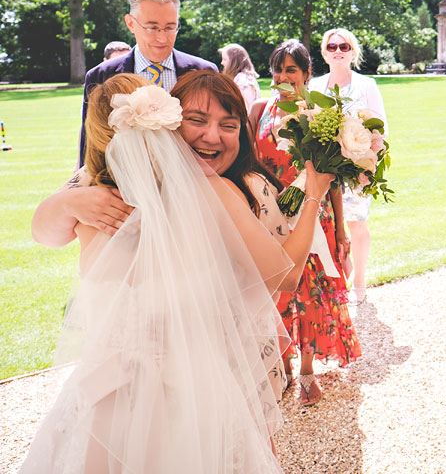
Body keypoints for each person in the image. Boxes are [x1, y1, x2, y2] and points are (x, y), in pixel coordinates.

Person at [21, 74, 329, 472]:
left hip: (114, 394)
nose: (211, 137)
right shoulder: (97, 196)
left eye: (228, 124)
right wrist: (68, 204)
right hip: (190, 391)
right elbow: (282, 277)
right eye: (195, 120)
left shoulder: (102, 198)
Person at [250, 39, 361, 406]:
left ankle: (308, 371)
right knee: (278, 291)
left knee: (311, 292)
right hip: (271, 217)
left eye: (291, 70)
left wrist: (341, 230)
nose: (282, 76)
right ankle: (281, 363)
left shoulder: (319, 114)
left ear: (307, 74)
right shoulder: (258, 111)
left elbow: (334, 183)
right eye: (278, 69)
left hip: (314, 217)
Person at [78, 0, 217, 166]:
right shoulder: (101, 76)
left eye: (170, 27)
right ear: (130, 23)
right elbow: (91, 147)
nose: (162, 38)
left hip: (194, 182)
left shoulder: (205, 72)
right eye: (152, 28)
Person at [309, 27, 388, 304]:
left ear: (353, 52)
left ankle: (360, 284)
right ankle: (335, 284)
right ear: (324, 53)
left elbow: (381, 128)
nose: (338, 51)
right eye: (332, 47)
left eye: (344, 47)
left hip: (356, 168)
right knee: (328, 226)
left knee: (356, 225)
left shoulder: (366, 85)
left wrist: (365, 162)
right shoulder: (315, 86)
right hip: (324, 169)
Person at [219, 43, 261, 111]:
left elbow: (245, 109)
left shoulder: (243, 81)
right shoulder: (243, 78)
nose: (222, 62)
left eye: (225, 59)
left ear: (234, 62)